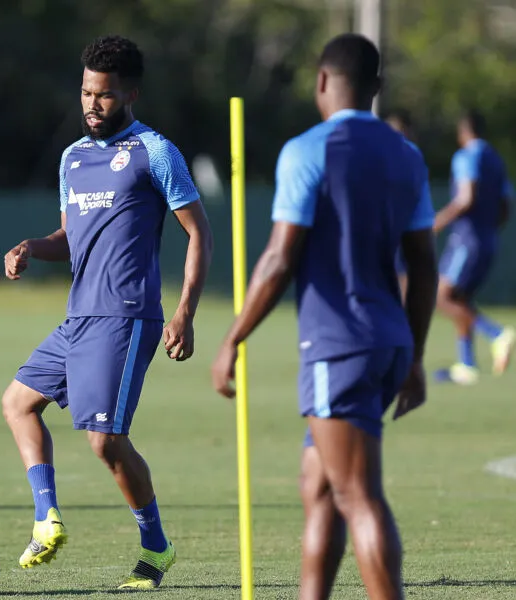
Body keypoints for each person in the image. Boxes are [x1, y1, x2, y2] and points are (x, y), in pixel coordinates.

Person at [211, 34, 438, 600]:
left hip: (338, 347)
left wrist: (232, 338)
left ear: (319, 82)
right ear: (377, 89)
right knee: (320, 487)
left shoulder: (307, 150)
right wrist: (414, 354)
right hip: (388, 344)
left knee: (358, 494)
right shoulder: (406, 156)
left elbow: (279, 258)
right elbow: (425, 269)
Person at [1, 35, 213, 590]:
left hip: (126, 315)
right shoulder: (73, 157)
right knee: (18, 403)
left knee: (104, 440)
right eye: (87, 93)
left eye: (106, 96)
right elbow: (70, 239)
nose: (93, 104)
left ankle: (156, 548)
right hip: (79, 317)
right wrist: (31, 247)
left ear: (131, 94)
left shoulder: (155, 152)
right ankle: (47, 519)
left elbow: (200, 234)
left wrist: (185, 311)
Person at [432, 109, 515, 385]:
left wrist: (437, 223)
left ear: (463, 132)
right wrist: (490, 229)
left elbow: (466, 198)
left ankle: (497, 334)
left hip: (467, 239)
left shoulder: (468, 156)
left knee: (441, 297)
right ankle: (466, 364)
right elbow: (505, 205)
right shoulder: (495, 159)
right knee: (461, 299)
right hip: (488, 238)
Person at [385, 109, 416, 297]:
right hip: (385, 223)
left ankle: (404, 316)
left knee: (402, 271)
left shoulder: (409, 156)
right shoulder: (385, 154)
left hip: (400, 223)